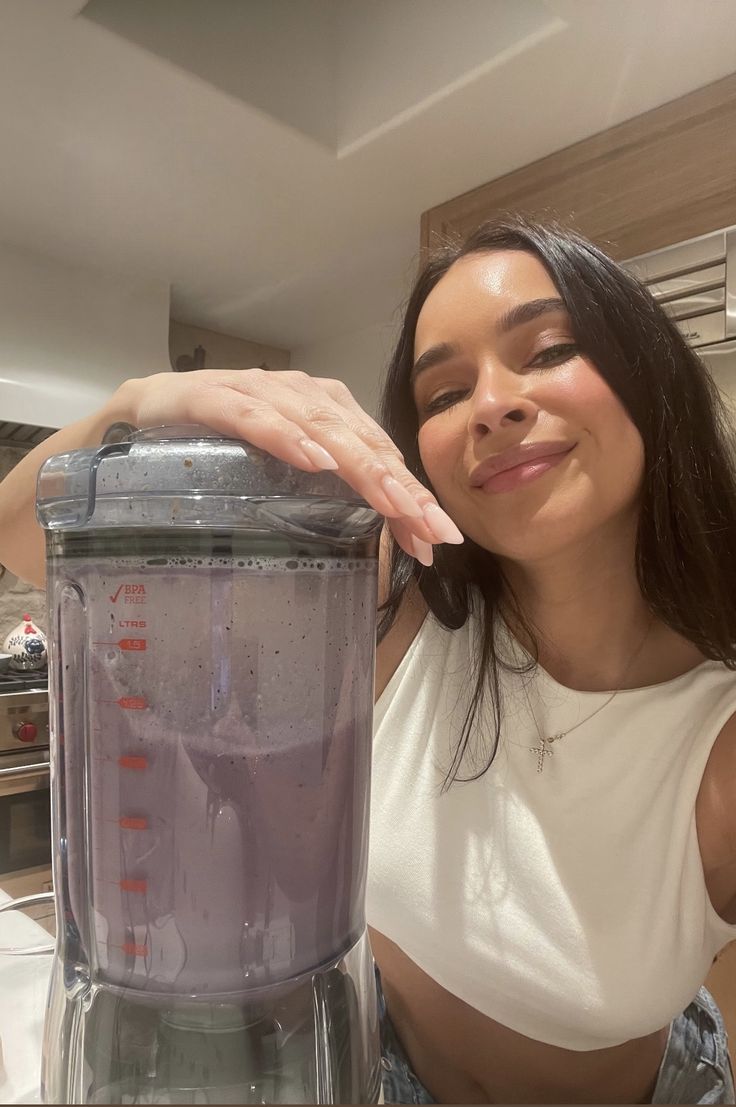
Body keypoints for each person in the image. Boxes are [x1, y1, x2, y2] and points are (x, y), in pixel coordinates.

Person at [1, 216, 736, 1104]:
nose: (493, 403)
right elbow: (21, 535)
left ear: (646, 371)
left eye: (548, 349)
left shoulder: (715, 750)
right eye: (442, 394)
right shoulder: (387, 614)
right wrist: (138, 403)